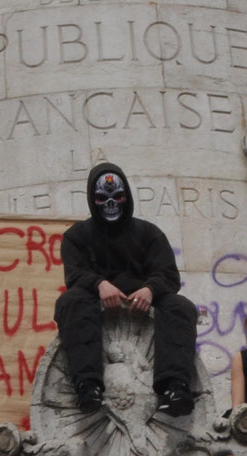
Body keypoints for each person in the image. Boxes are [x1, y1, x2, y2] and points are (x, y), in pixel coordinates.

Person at [55, 162, 200, 417]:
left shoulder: (149, 233)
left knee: (180, 306)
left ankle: (175, 387)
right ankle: (87, 386)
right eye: (103, 198)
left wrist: (150, 290)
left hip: (144, 299)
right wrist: (99, 284)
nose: (111, 204)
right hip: (92, 297)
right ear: (93, 199)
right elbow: (74, 274)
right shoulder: (76, 237)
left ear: (126, 197)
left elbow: (167, 273)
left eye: (117, 197)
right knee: (70, 301)